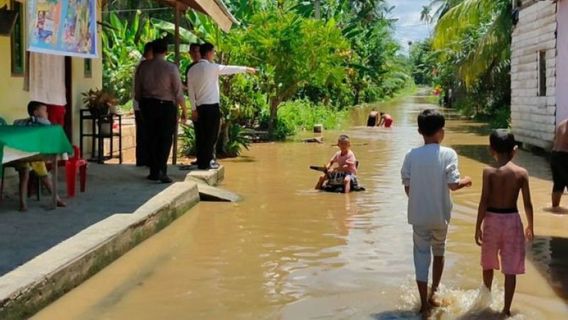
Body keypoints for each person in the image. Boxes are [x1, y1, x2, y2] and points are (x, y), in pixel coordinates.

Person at [400, 109, 471, 316]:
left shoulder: (411, 155)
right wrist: (466, 181)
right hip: (440, 216)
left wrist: (420, 199)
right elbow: (453, 184)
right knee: (439, 251)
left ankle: (423, 304)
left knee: (420, 256)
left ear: (420, 131)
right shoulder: (448, 153)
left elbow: (408, 188)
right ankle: (435, 292)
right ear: (442, 131)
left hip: (418, 217)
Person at [475, 130, 534, 317]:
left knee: (488, 264)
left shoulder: (488, 172)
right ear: (514, 150)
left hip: (491, 220)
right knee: (510, 269)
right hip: (512, 221)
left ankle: (486, 301)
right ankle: (506, 310)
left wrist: (477, 226)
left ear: (491, 149)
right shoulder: (521, 173)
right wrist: (531, 225)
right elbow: (527, 204)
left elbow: (484, 201)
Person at [186, 42, 256, 170]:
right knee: (211, 136)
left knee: (201, 135)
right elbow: (229, 69)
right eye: (213, 52)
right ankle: (206, 162)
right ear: (208, 53)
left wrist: (193, 109)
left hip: (199, 107)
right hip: (212, 107)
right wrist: (246, 69)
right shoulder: (213, 68)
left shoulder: (192, 70)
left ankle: (202, 161)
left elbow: (190, 91)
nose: (214, 55)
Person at [134, 38, 188, 183]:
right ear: (166, 51)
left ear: (153, 50)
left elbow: (137, 90)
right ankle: (161, 170)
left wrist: (141, 102)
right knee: (164, 139)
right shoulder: (170, 68)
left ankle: (153, 170)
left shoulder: (143, 66)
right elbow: (178, 92)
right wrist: (184, 109)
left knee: (151, 138)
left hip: (147, 105)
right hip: (165, 106)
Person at [14, 101, 66, 211]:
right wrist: (32, 120)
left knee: (45, 176)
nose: (47, 113)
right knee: (25, 175)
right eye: (44, 111)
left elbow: (48, 126)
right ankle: (22, 203)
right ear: (36, 112)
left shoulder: (43, 124)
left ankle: (56, 198)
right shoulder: (26, 122)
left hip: (36, 156)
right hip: (22, 154)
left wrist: (37, 120)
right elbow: (16, 123)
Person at [133, 42, 153, 167]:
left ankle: (143, 160)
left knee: (143, 133)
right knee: (144, 134)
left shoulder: (142, 65)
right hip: (142, 105)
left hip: (140, 104)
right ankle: (143, 160)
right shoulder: (144, 65)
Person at [551, 118, 568, 209]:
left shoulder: (562, 124)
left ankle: (555, 207)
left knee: (558, 185)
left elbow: (554, 140)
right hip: (565, 155)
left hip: (555, 155)